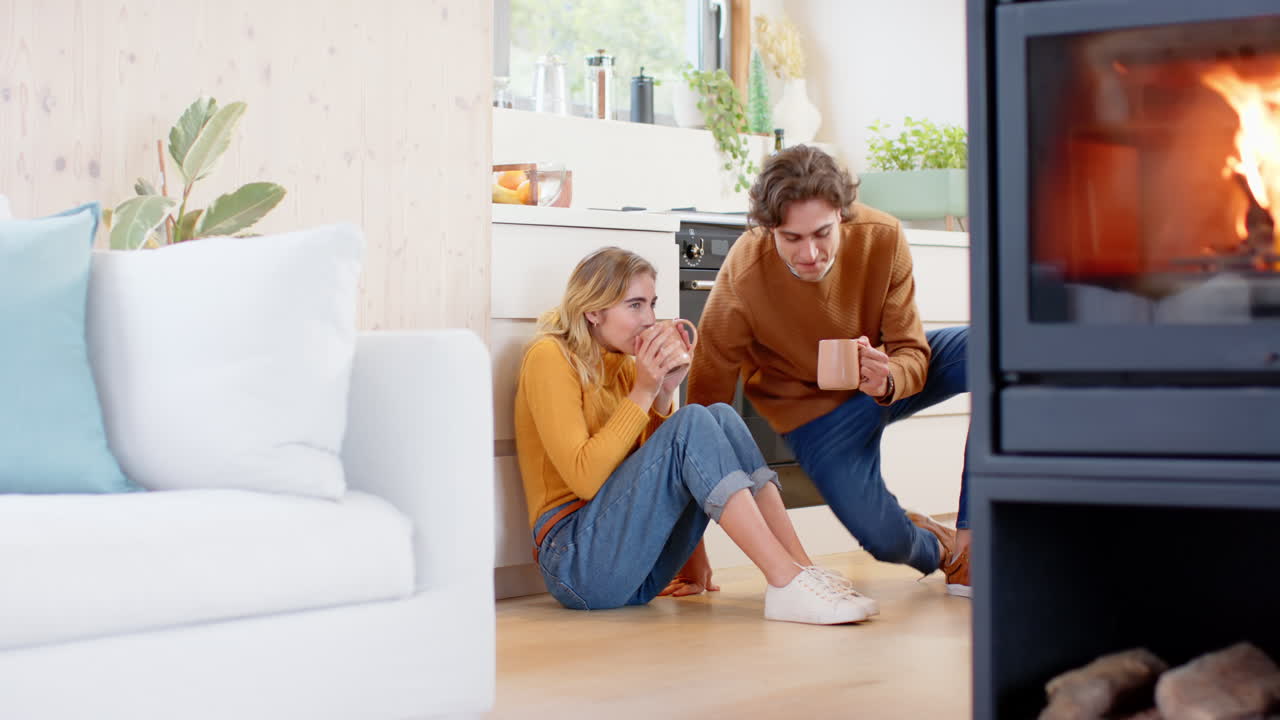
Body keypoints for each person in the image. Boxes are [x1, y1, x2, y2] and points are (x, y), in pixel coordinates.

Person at [514, 246, 877, 624]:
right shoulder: (549, 356)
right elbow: (586, 479)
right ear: (593, 310)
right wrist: (645, 391)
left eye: (652, 304)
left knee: (718, 415)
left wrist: (664, 392)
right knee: (691, 421)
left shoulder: (623, 367)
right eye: (635, 305)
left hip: (634, 568)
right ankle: (784, 580)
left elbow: (653, 474)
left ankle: (801, 570)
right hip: (575, 565)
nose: (649, 320)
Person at [685, 145, 972, 597]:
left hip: (880, 376)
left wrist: (889, 377)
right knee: (887, 541)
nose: (810, 253)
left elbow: (911, 351)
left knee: (996, 349)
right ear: (770, 229)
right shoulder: (744, 274)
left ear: (841, 213)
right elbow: (702, 417)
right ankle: (939, 547)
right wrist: (692, 553)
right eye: (791, 238)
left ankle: (972, 543)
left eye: (822, 233)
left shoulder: (883, 236)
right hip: (815, 419)